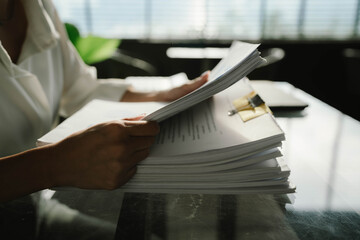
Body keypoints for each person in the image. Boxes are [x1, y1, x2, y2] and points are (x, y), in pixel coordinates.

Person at [0, 0, 208, 238]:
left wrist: (162, 95)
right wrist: (54, 165)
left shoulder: (38, 6)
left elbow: (80, 89)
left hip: (35, 208)